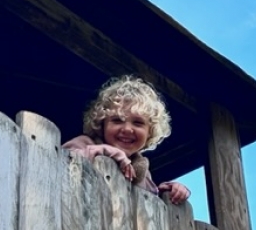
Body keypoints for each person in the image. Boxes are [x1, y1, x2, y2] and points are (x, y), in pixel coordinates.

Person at [62, 75, 190, 205]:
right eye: (117, 120)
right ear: (102, 124)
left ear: (150, 132)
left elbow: (150, 206)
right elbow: (63, 162)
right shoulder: (84, 143)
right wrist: (109, 152)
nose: (128, 129)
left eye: (138, 123)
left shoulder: (143, 173)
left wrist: (167, 191)